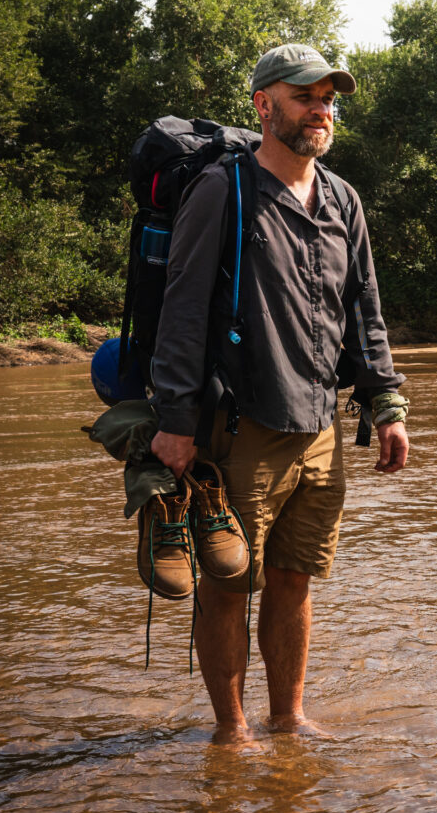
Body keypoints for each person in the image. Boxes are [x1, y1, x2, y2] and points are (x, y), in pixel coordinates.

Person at [148, 44, 409, 747]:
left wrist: (386, 404)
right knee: (230, 585)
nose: (321, 109)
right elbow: (182, 310)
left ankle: (287, 717)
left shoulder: (344, 199)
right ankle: (232, 731)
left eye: (329, 98)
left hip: (321, 429)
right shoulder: (223, 191)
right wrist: (174, 422)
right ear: (265, 106)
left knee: (296, 581)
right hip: (241, 427)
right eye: (304, 96)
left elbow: (366, 312)